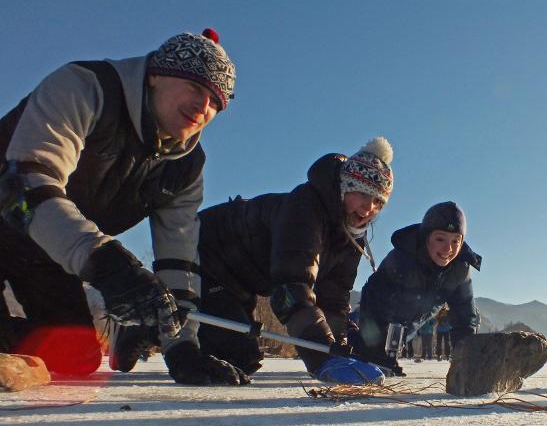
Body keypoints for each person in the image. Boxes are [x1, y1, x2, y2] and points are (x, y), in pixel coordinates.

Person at [0, 29, 236, 377]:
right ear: (156, 75)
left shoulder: (185, 168)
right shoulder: (85, 87)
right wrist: (106, 264)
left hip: (44, 255)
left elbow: (179, 260)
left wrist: (181, 347)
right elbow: (25, 188)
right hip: (15, 217)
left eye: (217, 102)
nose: (204, 107)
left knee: (74, 356)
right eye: (196, 88)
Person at [113, 137, 395, 385]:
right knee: (236, 354)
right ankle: (145, 325)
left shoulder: (352, 236)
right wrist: (322, 358)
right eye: (361, 194)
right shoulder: (305, 208)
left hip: (244, 281)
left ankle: (165, 327)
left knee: (242, 360)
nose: (368, 208)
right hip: (207, 258)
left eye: (377, 201)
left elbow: (333, 298)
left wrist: (340, 348)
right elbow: (292, 287)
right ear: (343, 188)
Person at [353, 202, 482, 375]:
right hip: (371, 322)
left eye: (455, 241)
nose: (448, 249)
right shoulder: (402, 260)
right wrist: (374, 350)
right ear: (426, 237)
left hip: (407, 330)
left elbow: (465, 318)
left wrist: (466, 359)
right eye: (440, 239)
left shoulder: (460, 270)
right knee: (357, 351)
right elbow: (374, 301)